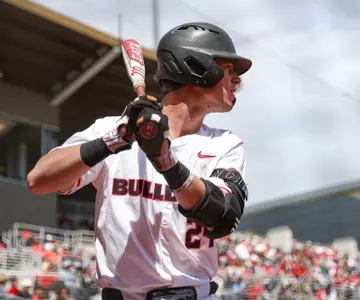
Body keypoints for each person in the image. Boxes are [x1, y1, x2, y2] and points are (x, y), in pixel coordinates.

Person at [27, 21, 252, 300]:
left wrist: (166, 162)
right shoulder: (113, 129)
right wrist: (116, 140)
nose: (237, 80)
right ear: (197, 66)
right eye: (229, 69)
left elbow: (223, 217)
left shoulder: (225, 144)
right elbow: (39, 180)